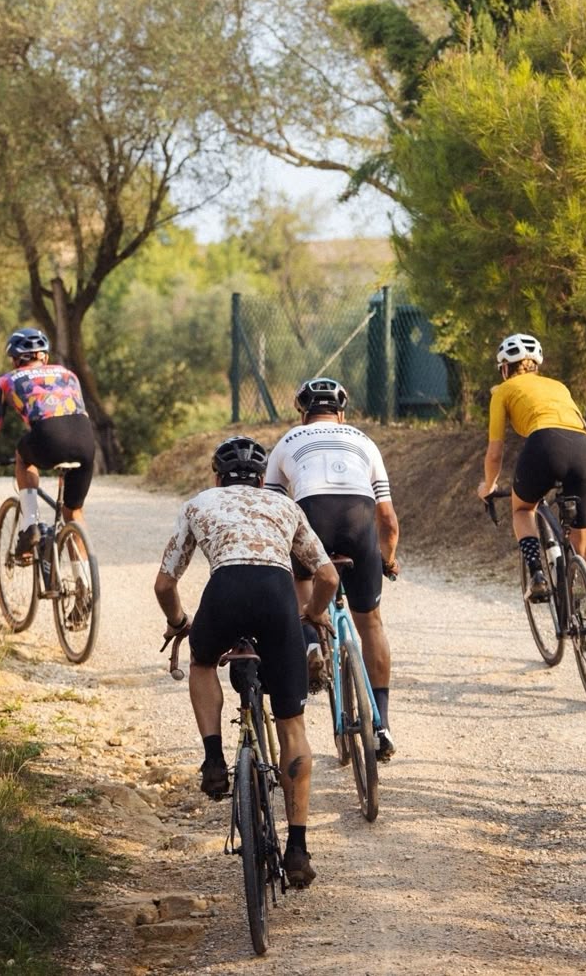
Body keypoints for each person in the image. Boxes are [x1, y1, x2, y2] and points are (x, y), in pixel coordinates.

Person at [154, 435, 338, 890]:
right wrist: (311, 616)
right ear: (262, 479)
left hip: (225, 593)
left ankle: (214, 759)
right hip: (277, 599)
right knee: (291, 724)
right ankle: (297, 849)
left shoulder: (200, 503)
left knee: (202, 663)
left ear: (217, 476)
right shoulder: (285, 507)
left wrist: (180, 622)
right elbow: (327, 575)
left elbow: (164, 584)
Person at [263, 376, 401, 762]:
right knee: (370, 623)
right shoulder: (365, 441)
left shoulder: (287, 442)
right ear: (342, 413)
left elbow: (274, 509)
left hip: (313, 514)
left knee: (301, 582)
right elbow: (387, 518)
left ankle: (310, 641)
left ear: (303, 413)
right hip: (360, 519)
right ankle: (382, 725)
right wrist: (387, 560)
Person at [477, 332, 586, 602]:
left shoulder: (503, 390)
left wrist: (488, 486)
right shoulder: (558, 386)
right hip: (584, 448)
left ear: (504, 368)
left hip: (544, 444)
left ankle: (537, 573)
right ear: (536, 365)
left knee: (523, 509)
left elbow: (494, 453)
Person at [0, 327, 97, 559]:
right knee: (73, 512)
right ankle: (85, 582)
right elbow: (81, 412)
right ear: (45, 357)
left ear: (14, 360)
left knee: (23, 455)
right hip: (85, 440)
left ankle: (30, 526)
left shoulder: (6, 381)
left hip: (48, 437)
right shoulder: (69, 375)